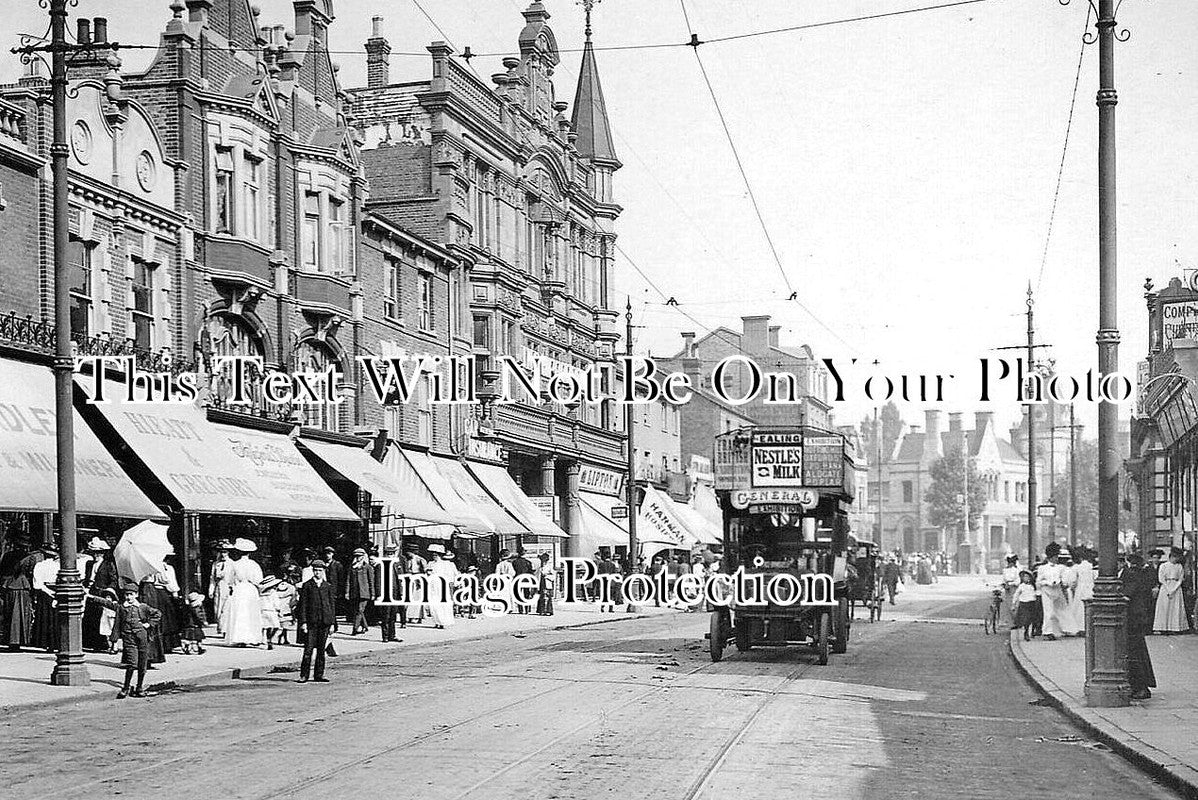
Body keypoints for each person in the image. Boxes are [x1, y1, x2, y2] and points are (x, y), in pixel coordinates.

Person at [90, 581, 161, 698]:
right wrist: (91, 597)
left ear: (136, 595)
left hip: (142, 637)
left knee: (142, 664)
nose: (129, 597)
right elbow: (107, 603)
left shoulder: (143, 607)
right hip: (129, 638)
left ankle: (139, 687)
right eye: (127, 595)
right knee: (132, 664)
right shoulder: (121, 607)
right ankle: (126, 687)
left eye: (131, 594)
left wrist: (148, 624)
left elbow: (157, 614)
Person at [1122, 553, 1157, 700]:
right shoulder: (1129, 573)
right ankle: (1138, 685)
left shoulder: (1130, 574)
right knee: (1136, 653)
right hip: (1134, 619)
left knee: (1136, 653)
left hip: (1134, 620)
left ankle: (1141, 686)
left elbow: (1127, 595)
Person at [296, 560, 337, 683]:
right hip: (311, 623)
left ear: (323, 571)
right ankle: (304, 675)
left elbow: (331, 605)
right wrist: (303, 622)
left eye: (320, 570)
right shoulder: (307, 585)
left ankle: (319, 675)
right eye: (315, 570)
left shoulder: (327, 586)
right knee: (308, 650)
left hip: (324, 622)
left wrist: (332, 623)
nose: (317, 573)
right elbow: (303, 605)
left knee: (321, 650)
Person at [222, 538, 264, 646]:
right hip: (250, 589)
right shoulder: (254, 565)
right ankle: (252, 638)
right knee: (250, 612)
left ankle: (239, 638)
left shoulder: (235, 564)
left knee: (240, 613)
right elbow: (258, 580)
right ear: (250, 553)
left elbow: (229, 580)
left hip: (239, 589)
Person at [140, 551, 182, 659]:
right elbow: (167, 581)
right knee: (166, 619)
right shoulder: (163, 567)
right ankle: (165, 645)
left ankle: (163, 645)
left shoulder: (156, 566)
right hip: (160, 592)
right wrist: (175, 593)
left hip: (155, 591)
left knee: (163, 619)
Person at [82, 536, 118, 651]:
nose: (96, 555)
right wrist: (85, 584)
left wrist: (109, 592)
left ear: (103, 553)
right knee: (90, 617)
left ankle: (102, 643)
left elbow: (113, 580)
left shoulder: (108, 565)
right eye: (94, 553)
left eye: (99, 553)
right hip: (90, 592)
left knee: (102, 618)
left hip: (102, 593)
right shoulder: (89, 564)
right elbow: (87, 577)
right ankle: (91, 643)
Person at [0, 541, 34, 649]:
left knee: (10, 613)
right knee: (22, 613)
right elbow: (30, 572)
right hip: (23, 586)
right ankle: (19, 639)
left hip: (9, 586)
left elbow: (2, 570)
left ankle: (11, 639)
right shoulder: (29, 557)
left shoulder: (8, 555)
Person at [30, 545, 59, 652]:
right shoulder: (57, 565)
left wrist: (48, 591)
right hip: (55, 591)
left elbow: (37, 583)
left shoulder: (40, 565)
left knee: (47, 618)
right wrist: (53, 592)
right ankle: (55, 643)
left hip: (46, 592)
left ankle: (47, 643)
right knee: (54, 618)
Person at [1036, 544, 1069, 640]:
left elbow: (1064, 579)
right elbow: (1038, 582)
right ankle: (1047, 632)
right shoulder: (1042, 568)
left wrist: (1061, 582)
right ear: (1050, 557)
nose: (1056, 559)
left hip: (1057, 590)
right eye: (1054, 557)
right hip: (1047, 591)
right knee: (1049, 612)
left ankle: (1064, 629)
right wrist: (1048, 583)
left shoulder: (1060, 568)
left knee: (1062, 610)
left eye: (1057, 557)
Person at [1154, 546, 1188, 634]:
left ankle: (1175, 627)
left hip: (1176, 588)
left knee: (1175, 608)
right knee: (1164, 607)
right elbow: (1161, 579)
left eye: (1177, 557)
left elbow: (1180, 579)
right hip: (1165, 587)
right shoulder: (1163, 566)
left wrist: (1174, 589)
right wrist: (1168, 588)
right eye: (1174, 557)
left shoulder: (1179, 566)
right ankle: (1163, 627)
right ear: (1171, 556)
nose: (1176, 559)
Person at [427, 545, 458, 629]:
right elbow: (428, 573)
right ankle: (436, 621)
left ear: (440, 555)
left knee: (442, 604)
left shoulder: (445, 564)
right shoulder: (430, 563)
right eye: (433, 555)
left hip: (441, 585)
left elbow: (448, 575)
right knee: (433, 604)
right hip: (432, 585)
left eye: (436, 555)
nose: (434, 557)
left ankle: (442, 622)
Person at [345, 548, 375, 635]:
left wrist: (372, 593)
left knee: (360, 610)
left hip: (364, 593)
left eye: (360, 556)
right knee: (357, 610)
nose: (358, 558)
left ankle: (355, 629)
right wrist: (347, 592)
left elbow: (371, 581)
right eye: (356, 556)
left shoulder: (368, 567)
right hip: (354, 592)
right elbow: (348, 581)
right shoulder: (352, 567)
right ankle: (365, 626)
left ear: (363, 556)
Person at [380, 544, 406, 642]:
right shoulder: (381, 565)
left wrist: (401, 591)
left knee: (393, 615)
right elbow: (378, 581)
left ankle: (392, 635)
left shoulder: (396, 564)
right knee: (386, 616)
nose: (390, 556)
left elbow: (401, 578)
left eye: (392, 554)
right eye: (388, 554)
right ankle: (385, 636)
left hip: (395, 593)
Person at [1069, 547, 1096, 638]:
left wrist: (1072, 587)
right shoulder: (1091, 566)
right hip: (1090, 587)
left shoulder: (1077, 567)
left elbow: (1073, 580)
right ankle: (1089, 627)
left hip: (1080, 587)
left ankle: (1080, 628)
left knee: (1079, 608)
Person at [207, 540, 231, 634]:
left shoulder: (232, 564)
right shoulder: (216, 564)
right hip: (219, 587)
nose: (223, 554)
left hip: (228, 587)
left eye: (225, 552)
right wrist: (211, 590)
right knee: (217, 608)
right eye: (221, 552)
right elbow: (212, 578)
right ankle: (220, 626)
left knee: (226, 609)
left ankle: (225, 629)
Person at [1058, 549, 1082, 636]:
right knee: (1066, 609)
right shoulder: (1068, 569)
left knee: (1062, 610)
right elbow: (1071, 581)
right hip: (1065, 589)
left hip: (1063, 589)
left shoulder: (1066, 569)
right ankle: (1067, 628)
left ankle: (1063, 628)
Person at [404, 543, 429, 624]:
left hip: (418, 580)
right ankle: (410, 616)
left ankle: (417, 616)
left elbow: (425, 571)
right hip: (411, 579)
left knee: (417, 598)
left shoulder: (420, 560)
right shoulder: (408, 560)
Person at [1011, 570, 1039, 641]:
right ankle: (1026, 632)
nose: (1025, 578)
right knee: (1026, 619)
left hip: (1032, 603)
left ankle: (1032, 631)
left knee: (1033, 618)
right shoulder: (1021, 586)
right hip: (1024, 603)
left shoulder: (1033, 586)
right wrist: (1013, 604)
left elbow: (1037, 593)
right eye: (1024, 577)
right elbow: (1016, 595)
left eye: (1027, 576)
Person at [511, 549, 535, 614]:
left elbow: (513, 571)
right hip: (526, 579)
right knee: (526, 594)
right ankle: (527, 609)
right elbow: (531, 572)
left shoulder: (514, 562)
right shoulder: (528, 562)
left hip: (517, 579)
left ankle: (520, 609)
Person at [1001, 554, 1021, 627]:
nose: (1010, 564)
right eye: (1009, 562)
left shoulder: (1016, 570)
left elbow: (1018, 581)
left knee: (1015, 605)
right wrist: (1004, 584)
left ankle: (1017, 621)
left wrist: (1011, 584)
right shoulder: (1005, 570)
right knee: (1008, 605)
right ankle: (1011, 623)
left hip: (1014, 588)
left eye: (1011, 562)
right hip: (1007, 589)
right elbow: (1004, 579)